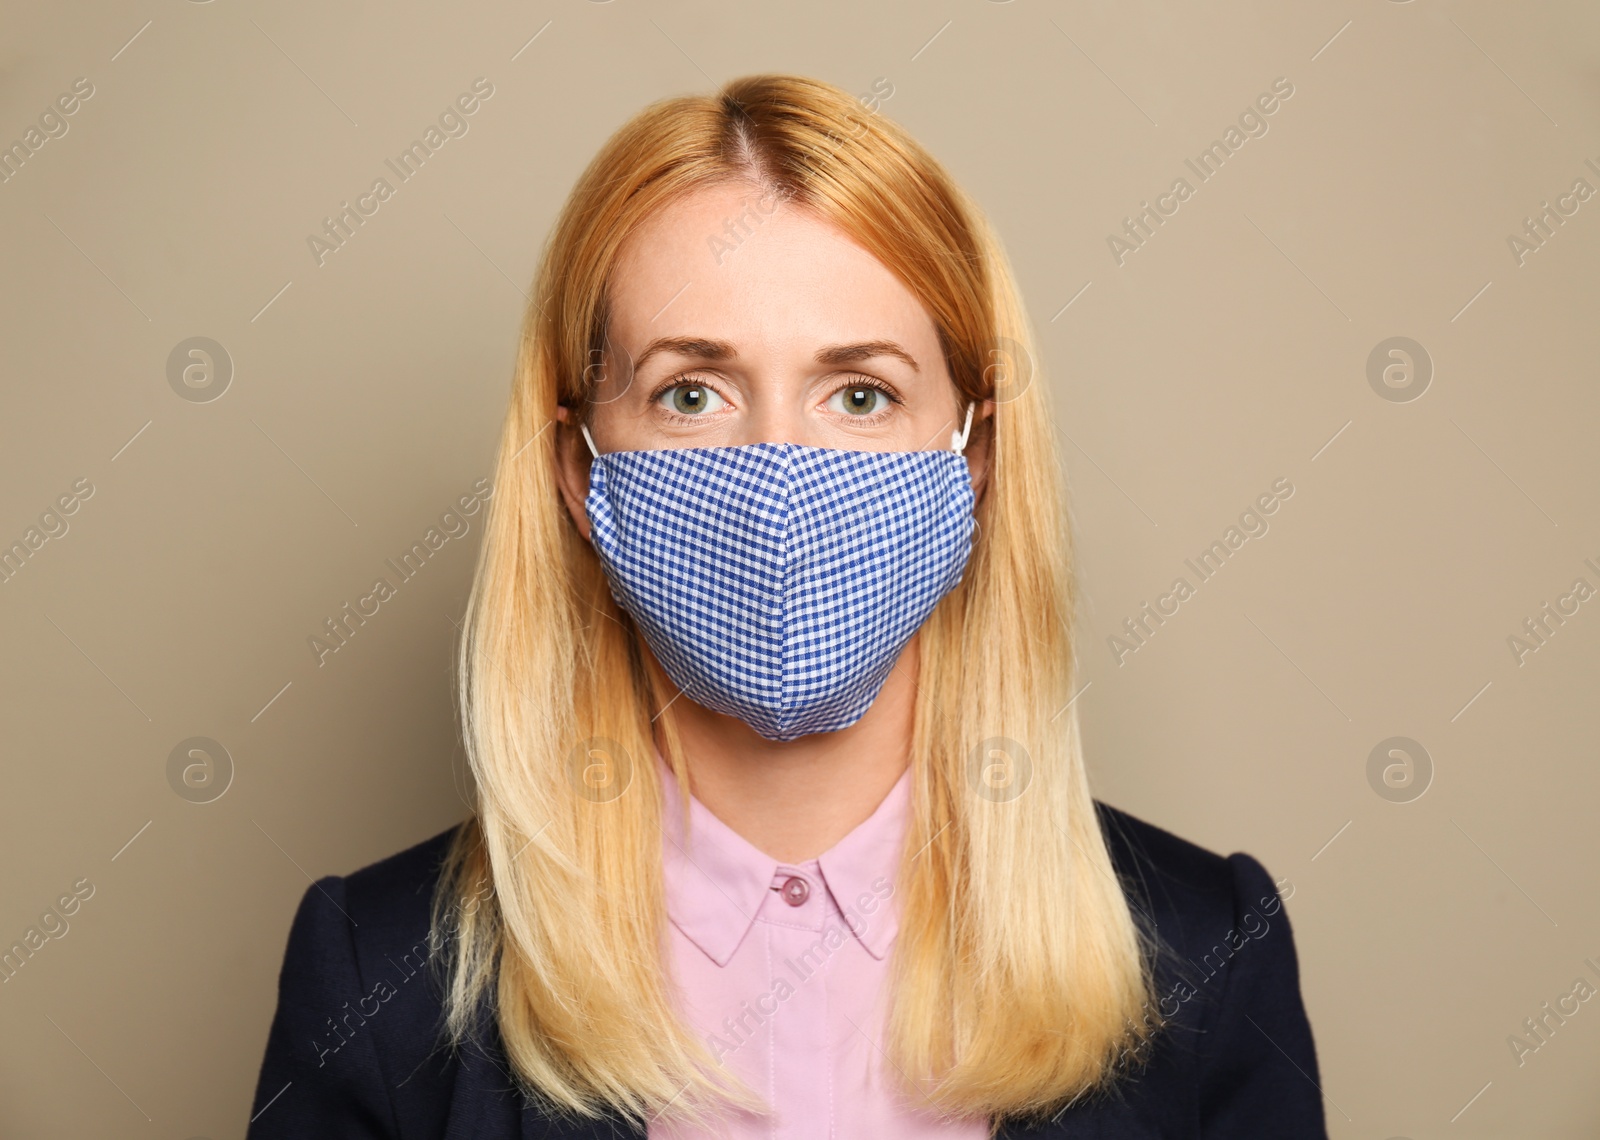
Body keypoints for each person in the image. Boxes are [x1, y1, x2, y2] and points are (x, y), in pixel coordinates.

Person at [246, 74, 1328, 1139]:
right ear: (579, 473)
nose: (777, 483)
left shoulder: (1207, 955)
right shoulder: (379, 978)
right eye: (690, 393)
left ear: (977, 460)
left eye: (860, 394)